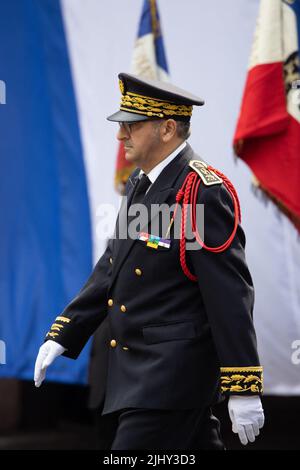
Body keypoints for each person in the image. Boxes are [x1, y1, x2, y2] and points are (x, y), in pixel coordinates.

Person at [34, 73, 264, 450]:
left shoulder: (200, 193)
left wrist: (243, 384)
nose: (120, 135)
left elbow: (230, 295)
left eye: (131, 126)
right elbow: (113, 265)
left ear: (168, 128)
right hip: (138, 374)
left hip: (170, 377)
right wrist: (65, 331)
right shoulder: (140, 183)